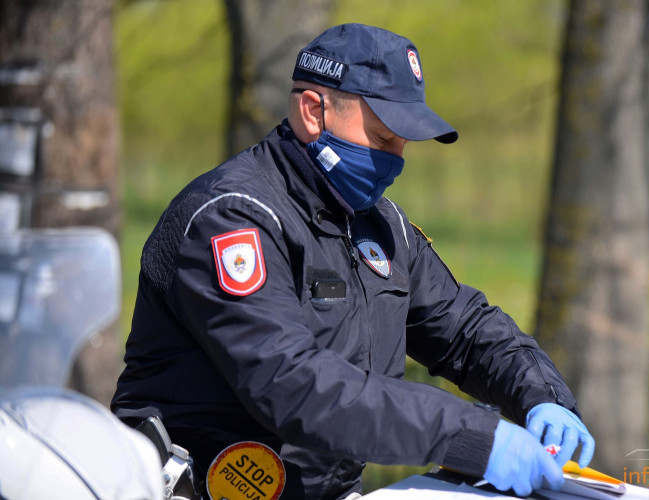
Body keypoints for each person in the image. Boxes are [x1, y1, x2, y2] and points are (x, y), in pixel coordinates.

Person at [112, 23, 594, 499]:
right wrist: (470, 434)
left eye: (404, 142)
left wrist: (542, 398)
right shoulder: (233, 218)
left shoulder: (379, 223)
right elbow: (293, 383)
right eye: (384, 138)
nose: (397, 157)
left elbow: (464, 330)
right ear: (312, 111)